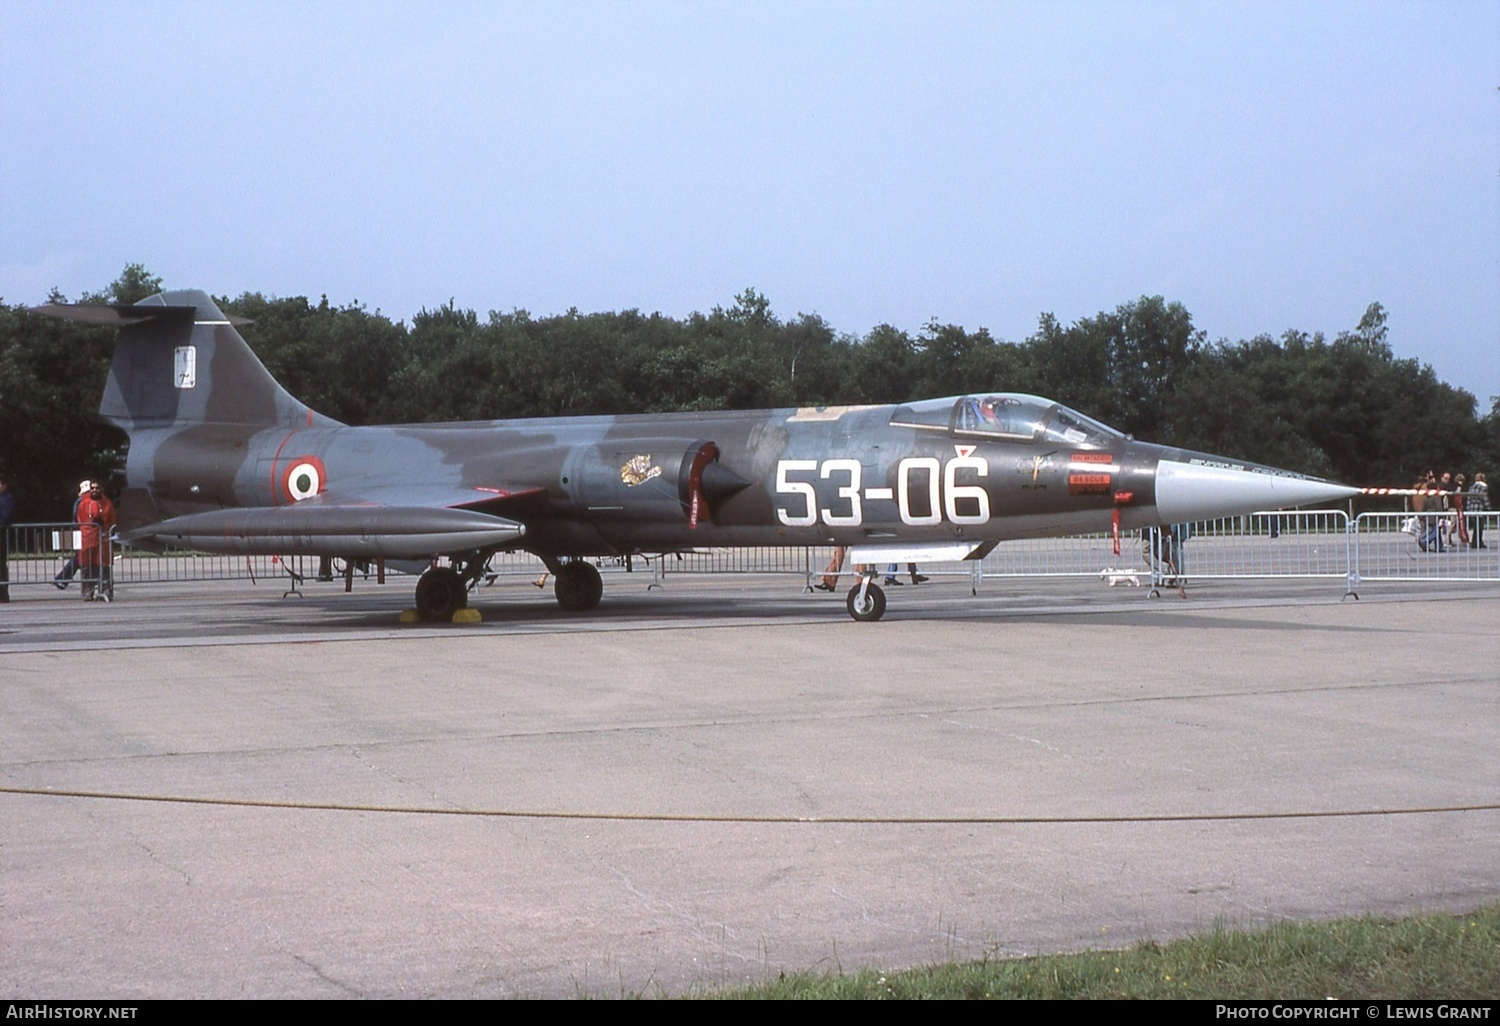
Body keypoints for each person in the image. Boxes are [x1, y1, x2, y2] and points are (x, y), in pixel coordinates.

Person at [76, 480, 116, 602]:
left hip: (102, 539)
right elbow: (80, 520)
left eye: (97, 488)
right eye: (92, 488)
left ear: (101, 489)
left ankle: (106, 591)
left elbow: (112, 519)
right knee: (86, 566)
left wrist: (102, 522)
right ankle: (87, 591)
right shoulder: (83, 503)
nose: (94, 490)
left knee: (104, 566)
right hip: (88, 539)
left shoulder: (107, 504)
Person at [54, 479, 92, 589]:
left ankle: (63, 579)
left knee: (81, 559)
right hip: (85, 534)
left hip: (82, 533)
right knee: (81, 559)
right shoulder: (83, 502)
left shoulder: (79, 502)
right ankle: (63, 579)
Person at [0, 472, 14, 603]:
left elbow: (5, 517)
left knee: (1, 566)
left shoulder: (6, 498)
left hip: (2, 537)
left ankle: (3, 594)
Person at [1468, 472, 1490, 549]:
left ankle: (1476, 542)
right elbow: (1485, 499)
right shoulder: (1483, 488)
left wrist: (1468, 509)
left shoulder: (1471, 487)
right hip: (1480, 508)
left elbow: (1469, 499)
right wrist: (1488, 508)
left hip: (1472, 509)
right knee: (1480, 527)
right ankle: (1477, 542)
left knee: (1476, 526)